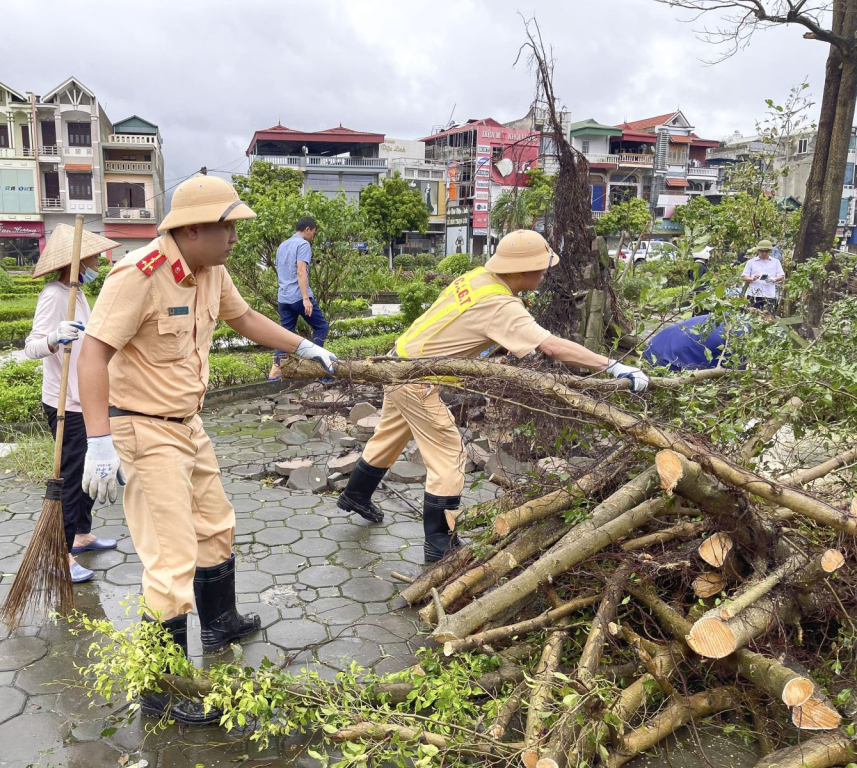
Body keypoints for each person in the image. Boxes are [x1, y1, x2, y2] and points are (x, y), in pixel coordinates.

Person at [77, 174, 337, 726]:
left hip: (188, 425)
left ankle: (221, 622)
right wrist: (98, 441)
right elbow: (92, 355)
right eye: (227, 228)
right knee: (170, 560)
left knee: (217, 526)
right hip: (143, 431)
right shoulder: (138, 275)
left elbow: (244, 319)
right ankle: (160, 689)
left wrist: (304, 344)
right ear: (192, 228)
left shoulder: (211, 270)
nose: (235, 238)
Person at [336, 230, 649, 563]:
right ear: (520, 269)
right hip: (417, 381)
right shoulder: (501, 305)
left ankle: (355, 494)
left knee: (389, 436)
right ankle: (439, 545)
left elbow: (464, 324)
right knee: (449, 458)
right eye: (541, 268)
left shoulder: (478, 278)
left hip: (396, 363)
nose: (545, 274)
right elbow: (551, 346)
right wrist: (613, 366)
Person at [24, 224, 120, 584]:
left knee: (86, 474)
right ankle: (59, 555)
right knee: (69, 478)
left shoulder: (77, 293)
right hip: (66, 404)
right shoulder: (54, 294)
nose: (98, 261)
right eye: (94, 256)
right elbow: (32, 347)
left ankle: (81, 534)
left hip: (86, 399)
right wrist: (52, 338)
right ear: (78, 261)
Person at [268, 217, 328, 382]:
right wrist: (306, 298)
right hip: (298, 297)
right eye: (313, 233)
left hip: (284, 297)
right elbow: (301, 271)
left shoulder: (282, 245)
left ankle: (275, 370)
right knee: (321, 326)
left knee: (285, 333)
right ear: (307, 229)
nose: (312, 237)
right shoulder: (303, 244)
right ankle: (315, 365)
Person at [642, 314, 746, 372]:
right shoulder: (739, 340)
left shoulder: (731, 318)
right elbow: (733, 373)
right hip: (665, 359)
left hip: (655, 344)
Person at [741, 239, 785, 311]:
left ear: (769, 251)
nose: (764, 253)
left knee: (769, 317)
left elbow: (782, 276)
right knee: (753, 317)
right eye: (762, 251)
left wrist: (773, 279)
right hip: (754, 295)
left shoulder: (775, 262)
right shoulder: (751, 262)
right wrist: (752, 278)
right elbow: (744, 277)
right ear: (758, 251)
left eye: (766, 251)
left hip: (769, 294)